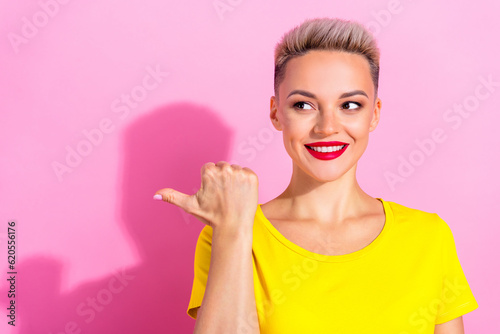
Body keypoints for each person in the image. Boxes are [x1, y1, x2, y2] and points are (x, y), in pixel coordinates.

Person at [153, 17, 478, 333]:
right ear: (276, 113)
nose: (327, 128)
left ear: (374, 114)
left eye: (350, 105)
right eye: (303, 106)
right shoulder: (229, 235)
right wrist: (234, 230)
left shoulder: (429, 238)